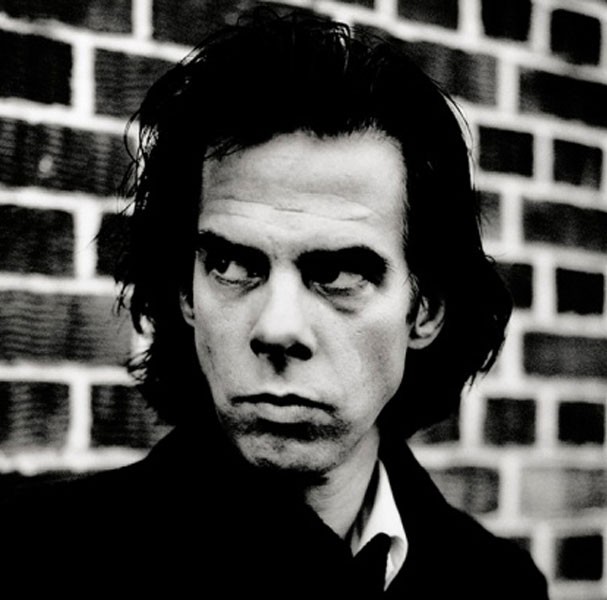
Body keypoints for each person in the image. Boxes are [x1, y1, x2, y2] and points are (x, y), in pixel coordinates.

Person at [3, 8, 549, 598]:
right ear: (186, 294)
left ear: (425, 309)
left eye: (337, 273)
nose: (278, 328)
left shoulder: (499, 588)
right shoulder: (37, 557)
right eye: (233, 266)